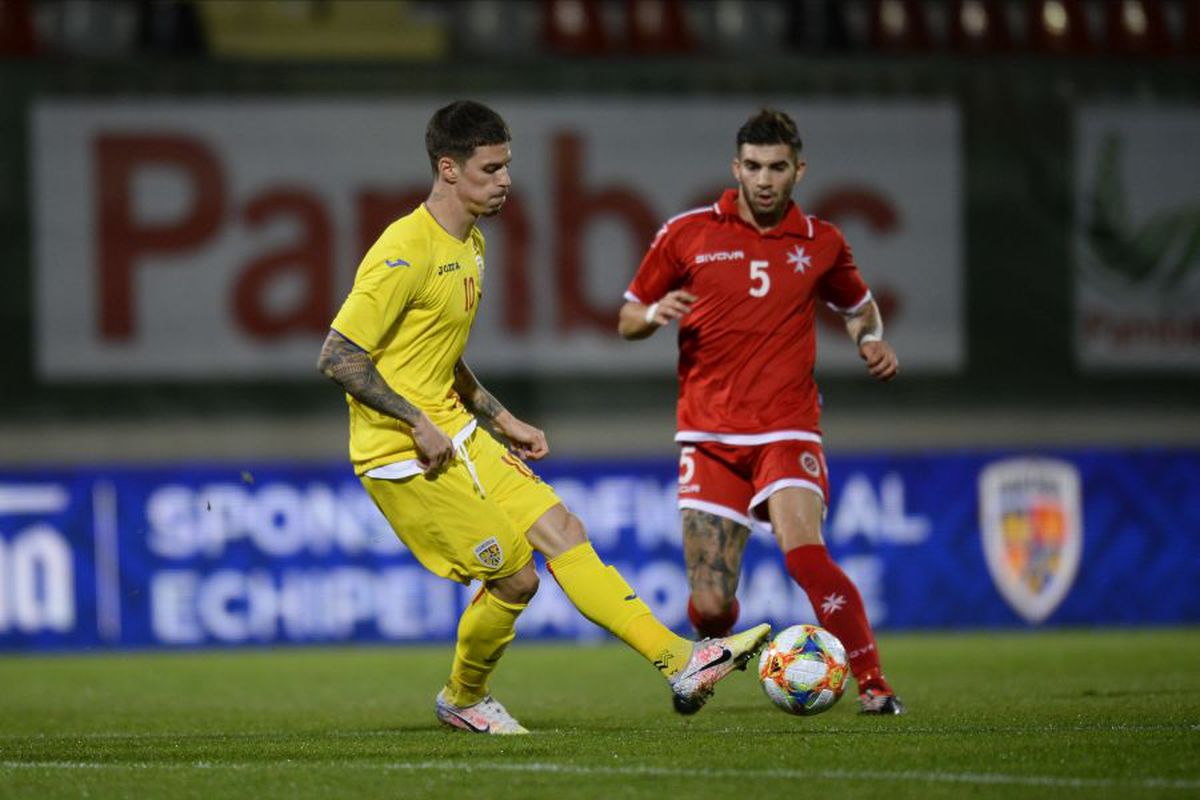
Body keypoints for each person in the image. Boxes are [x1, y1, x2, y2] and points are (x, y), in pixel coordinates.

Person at [318, 100, 771, 735]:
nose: (506, 179)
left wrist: (501, 418)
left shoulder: (469, 240)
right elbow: (339, 356)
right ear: (448, 169)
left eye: (508, 165)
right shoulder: (403, 252)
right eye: (491, 167)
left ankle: (682, 661)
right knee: (516, 577)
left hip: (461, 433)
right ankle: (463, 698)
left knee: (563, 528)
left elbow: (437, 358)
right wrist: (416, 421)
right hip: (403, 454)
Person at [618, 108, 905, 715]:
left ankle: (874, 684)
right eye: (753, 166)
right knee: (714, 604)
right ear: (735, 168)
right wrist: (653, 315)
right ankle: (708, 655)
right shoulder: (687, 233)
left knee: (805, 553)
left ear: (799, 169)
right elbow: (627, 318)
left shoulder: (822, 242)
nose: (765, 179)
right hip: (708, 433)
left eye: (777, 167)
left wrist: (868, 340)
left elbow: (860, 307)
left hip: (788, 425)